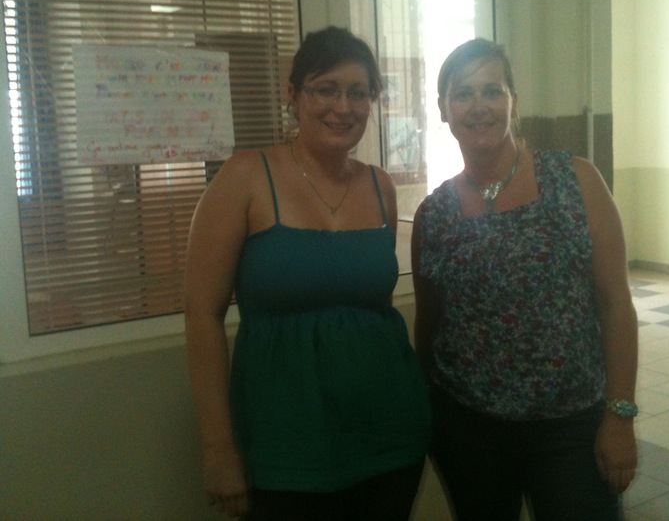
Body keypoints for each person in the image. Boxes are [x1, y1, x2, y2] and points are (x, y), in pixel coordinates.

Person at [185, 26, 430, 520]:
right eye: (325, 89)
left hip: (389, 435)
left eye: (358, 92)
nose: (343, 107)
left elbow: (372, 312)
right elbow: (202, 316)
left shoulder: (380, 186)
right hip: (283, 445)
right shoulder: (245, 177)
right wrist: (218, 447)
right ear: (293, 95)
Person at [411, 38, 638, 520]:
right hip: (468, 431)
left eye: (492, 91)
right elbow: (429, 326)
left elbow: (616, 304)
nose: (478, 106)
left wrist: (620, 417)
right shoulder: (435, 214)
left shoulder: (575, 180)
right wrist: (431, 418)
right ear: (444, 109)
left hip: (570, 427)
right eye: (463, 94)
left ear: (513, 100)